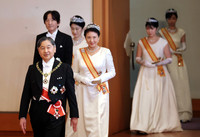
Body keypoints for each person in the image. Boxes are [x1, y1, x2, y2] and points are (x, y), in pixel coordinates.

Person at [130, 18, 182, 134]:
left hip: (159, 72)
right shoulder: (141, 42)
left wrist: (160, 63)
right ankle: (142, 125)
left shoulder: (163, 42)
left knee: (159, 97)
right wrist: (144, 62)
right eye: (148, 28)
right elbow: (137, 58)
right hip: (146, 72)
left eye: (152, 28)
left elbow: (169, 58)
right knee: (145, 98)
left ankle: (157, 123)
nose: (149, 31)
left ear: (156, 29)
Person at [19, 37, 79, 137]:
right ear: (38, 50)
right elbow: (26, 93)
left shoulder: (65, 68)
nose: (46, 51)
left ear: (54, 49)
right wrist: (22, 115)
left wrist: (74, 115)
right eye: (42, 48)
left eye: (48, 47)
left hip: (56, 109)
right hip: (36, 111)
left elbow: (71, 94)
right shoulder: (33, 69)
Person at [65, 24, 116, 137]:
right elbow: (74, 72)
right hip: (83, 90)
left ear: (98, 37)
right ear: (85, 38)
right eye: (89, 37)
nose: (92, 40)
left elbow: (112, 72)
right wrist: (83, 79)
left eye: (94, 37)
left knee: (98, 118)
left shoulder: (105, 52)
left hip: (99, 90)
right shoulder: (79, 52)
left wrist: (100, 79)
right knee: (82, 117)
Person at [159, 8, 192, 122]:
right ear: (167, 19)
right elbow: (160, 46)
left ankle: (183, 112)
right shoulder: (162, 32)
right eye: (169, 18)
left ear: (176, 19)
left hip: (179, 60)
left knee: (182, 83)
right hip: (168, 61)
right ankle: (171, 113)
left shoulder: (181, 31)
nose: (171, 20)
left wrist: (178, 51)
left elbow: (184, 46)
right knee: (172, 84)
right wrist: (170, 51)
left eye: (173, 18)